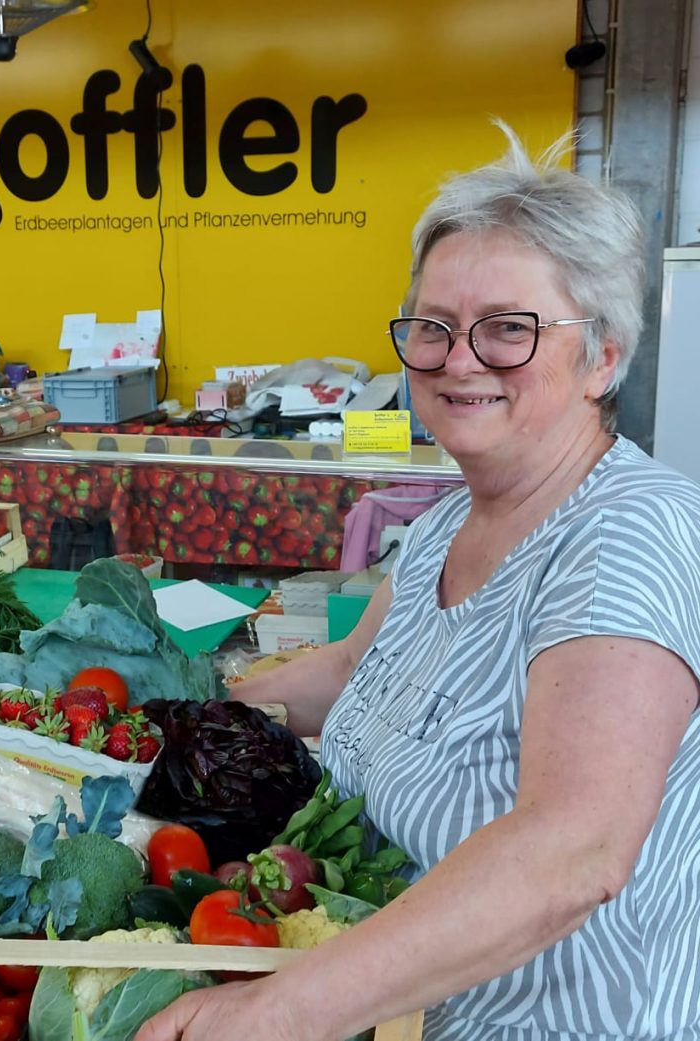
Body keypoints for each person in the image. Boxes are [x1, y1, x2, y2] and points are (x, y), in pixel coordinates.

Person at [138, 129, 700, 1041]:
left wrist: (278, 1013)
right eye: (432, 326)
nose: (457, 358)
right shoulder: (451, 517)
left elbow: (575, 849)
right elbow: (349, 670)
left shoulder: (626, 533)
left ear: (602, 356)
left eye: (509, 328)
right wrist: (167, 717)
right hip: (415, 1012)